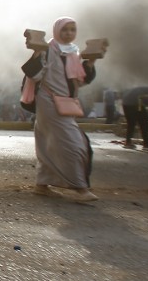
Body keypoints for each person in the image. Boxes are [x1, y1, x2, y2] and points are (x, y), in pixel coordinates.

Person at [21, 17, 100, 202]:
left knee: (49, 142)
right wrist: (36, 53)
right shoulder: (48, 50)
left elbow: (80, 81)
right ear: (57, 31)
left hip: (64, 103)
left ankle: (42, 185)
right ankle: (80, 188)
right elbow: (33, 73)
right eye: (65, 30)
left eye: (72, 30)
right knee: (73, 144)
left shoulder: (73, 52)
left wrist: (91, 62)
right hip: (48, 101)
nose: (69, 33)